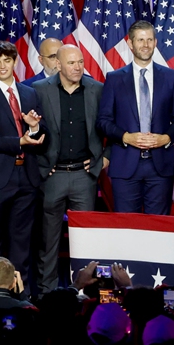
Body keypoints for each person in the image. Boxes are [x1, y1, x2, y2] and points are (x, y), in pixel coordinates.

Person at [32, 44, 105, 295]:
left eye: (81, 62)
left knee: (86, 239)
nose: (77, 67)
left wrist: (104, 159)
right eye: (72, 63)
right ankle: (46, 293)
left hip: (84, 175)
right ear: (58, 65)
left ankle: (84, 292)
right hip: (52, 175)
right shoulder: (39, 90)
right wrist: (42, 165)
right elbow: (31, 130)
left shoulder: (96, 89)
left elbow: (111, 125)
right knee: (48, 240)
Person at [97, 21, 174, 214]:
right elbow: (103, 121)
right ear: (130, 44)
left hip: (160, 166)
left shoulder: (171, 77)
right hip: (125, 165)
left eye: (149, 40)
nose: (145, 45)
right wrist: (126, 137)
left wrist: (166, 138)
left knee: (159, 228)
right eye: (140, 40)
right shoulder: (114, 78)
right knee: (128, 229)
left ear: (155, 42)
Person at [0, 41, 44, 288]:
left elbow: (42, 131)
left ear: (15, 61)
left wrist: (34, 127)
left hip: (26, 177)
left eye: (7, 61)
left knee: (21, 239)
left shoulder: (30, 93)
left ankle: (20, 292)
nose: (3, 66)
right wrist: (19, 140)